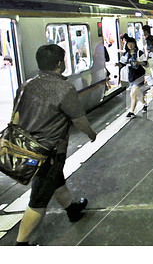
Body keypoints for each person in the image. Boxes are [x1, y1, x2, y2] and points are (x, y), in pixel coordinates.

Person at [13, 44, 97, 246]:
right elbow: (78, 120)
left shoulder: (26, 85)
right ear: (60, 64)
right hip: (48, 152)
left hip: (26, 147)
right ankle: (21, 245)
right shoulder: (64, 88)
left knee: (56, 181)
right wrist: (91, 134)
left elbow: (15, 118)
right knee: (38, 199)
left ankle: (72, 210)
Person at [118, 38, 148, 118]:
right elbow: (122, 63)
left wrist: (138, 62)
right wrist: (118, 65)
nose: (130, 45)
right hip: (131, 76)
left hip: (139, 75)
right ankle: (145, 104)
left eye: (132, 43)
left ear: (134, 44)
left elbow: (145, 63)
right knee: (137, 94)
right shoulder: (125, 54)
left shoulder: (139, 53)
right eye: (128, 44)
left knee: (132, 93)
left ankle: (131, 111)